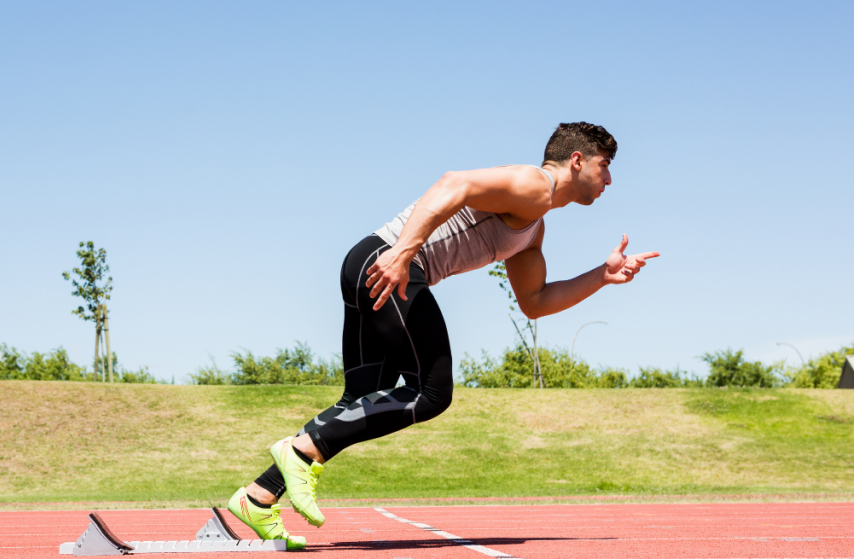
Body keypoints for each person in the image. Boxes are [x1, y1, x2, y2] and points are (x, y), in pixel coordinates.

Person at [225, 122, 659, 549]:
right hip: (391, 265)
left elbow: (535, 301)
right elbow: (454, 183)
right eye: (604, 166)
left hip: (369, 262)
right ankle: (300, 452)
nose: (609, 178)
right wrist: (404, 253)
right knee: (432, 393)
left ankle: (259, 497)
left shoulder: (535, 225)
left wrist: (601, 276)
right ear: (577, 160)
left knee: (361, 399)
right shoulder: (534, 184)